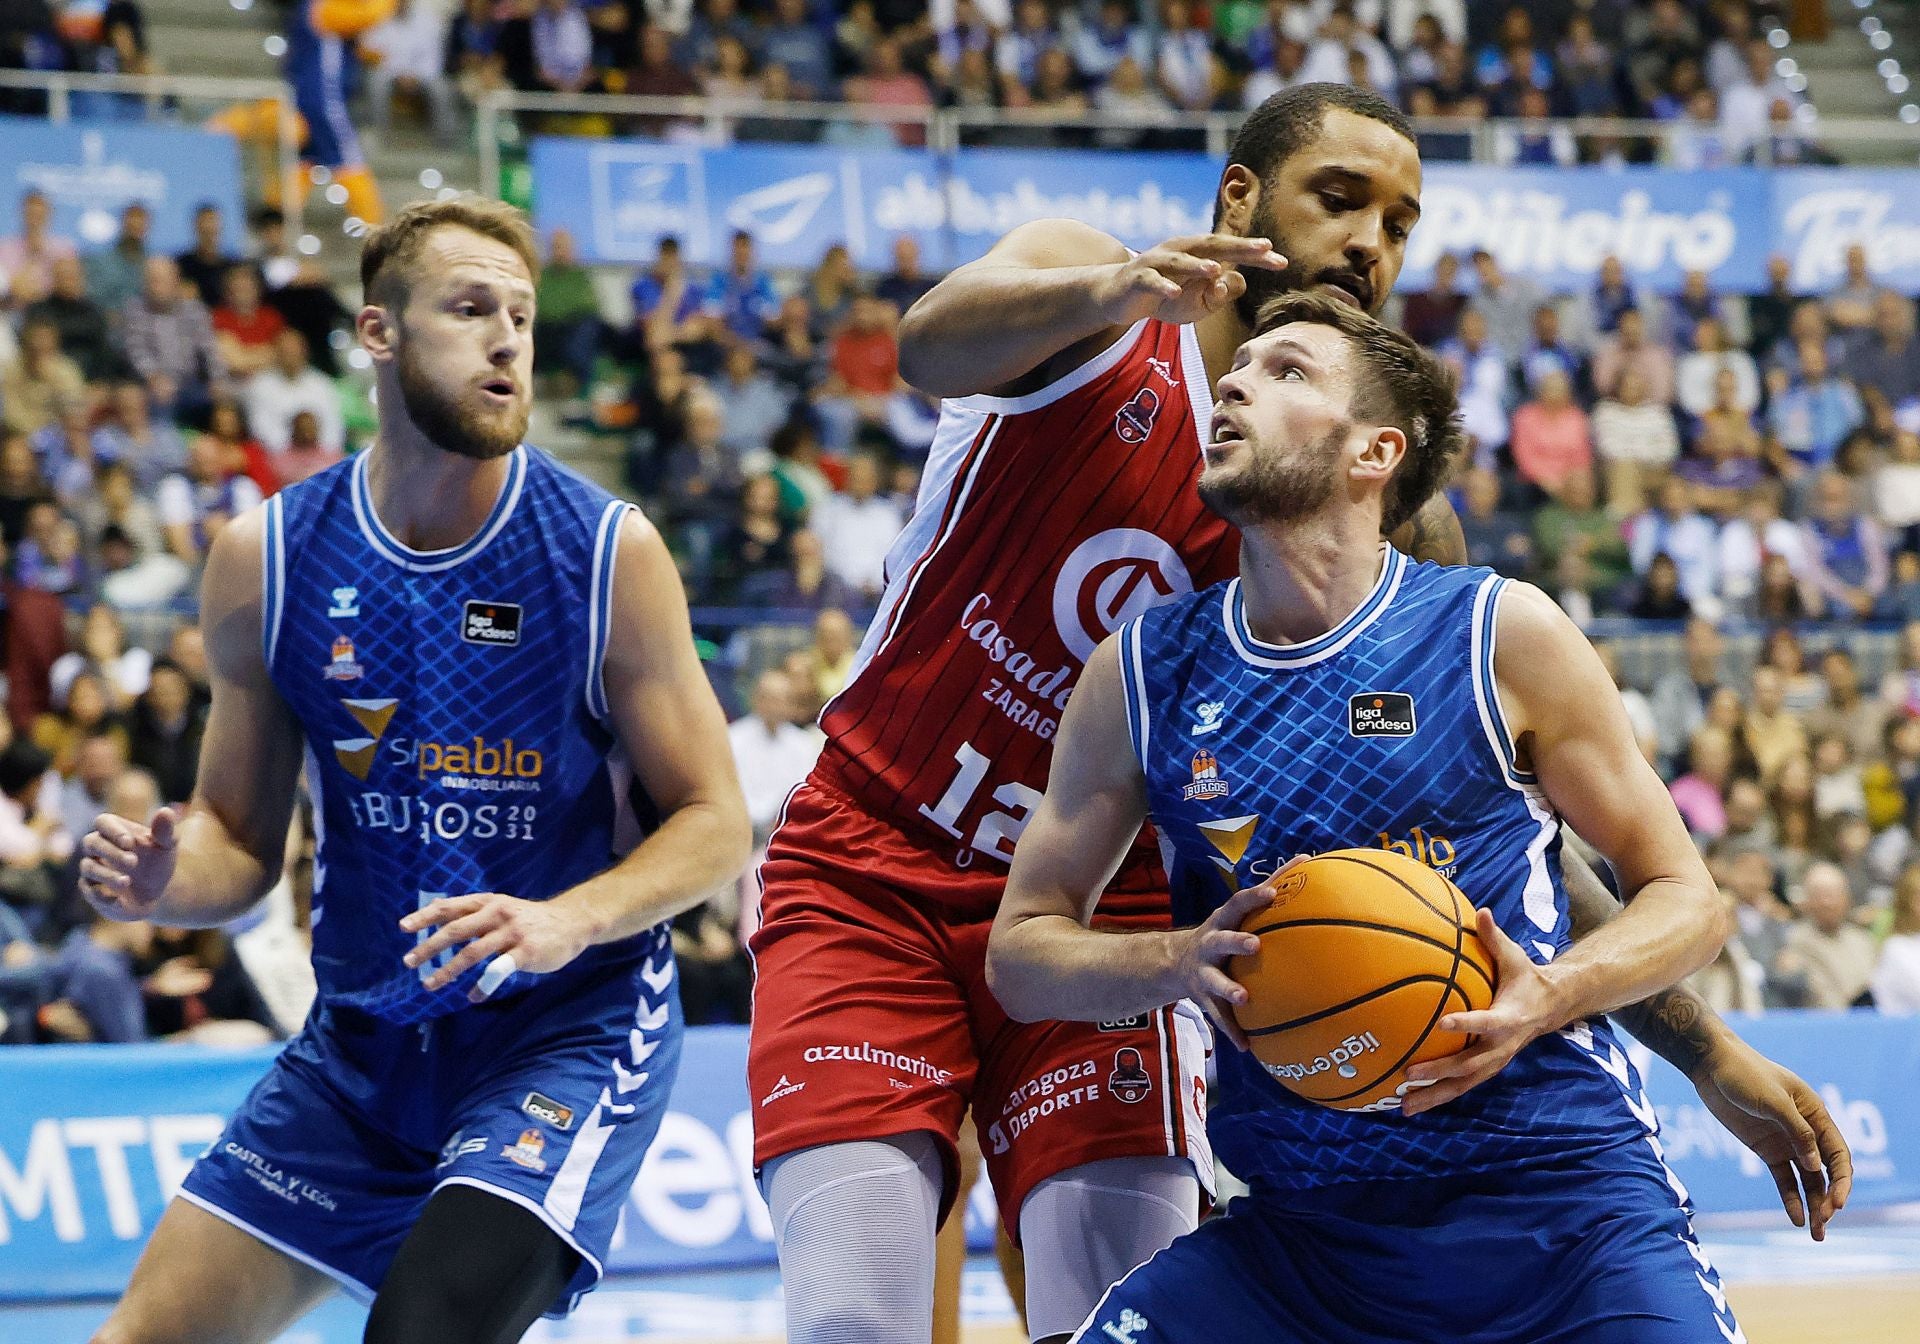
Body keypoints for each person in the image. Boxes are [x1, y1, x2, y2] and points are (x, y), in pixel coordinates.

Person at [751, 84, 1851, 1344]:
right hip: (884, 856)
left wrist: (1705, 1050)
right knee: (853, 1319)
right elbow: (926, 347)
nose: (1372, 242)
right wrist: (1117, 290)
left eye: (1401, 223)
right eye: (1340, 198)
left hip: (1137, 918)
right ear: (1240, 198)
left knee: (1089, 1297)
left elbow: (1500, 847)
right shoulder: (1089, 299)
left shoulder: (1411, 552)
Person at [988, 292, 1742, 1344]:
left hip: (1561, 1208)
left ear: (1375, 452)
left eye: (1288, 371)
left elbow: (1690, 900)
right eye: (1239, 367)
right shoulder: (1143, 672)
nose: (1235, 383)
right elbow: (1020, 954)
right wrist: (1176, 960)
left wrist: (1551, 995)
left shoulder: (1496, 632)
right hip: (1303, 1240)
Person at [78, 197, 750, 1344]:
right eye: (471, 308)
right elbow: (237, 843)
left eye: (522, 317)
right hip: (361, 1049)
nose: (507, 341)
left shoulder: (605, 551)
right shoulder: (266, 558)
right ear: (379, 332)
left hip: (560, 1031)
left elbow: (718, 821)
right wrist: (162, 884)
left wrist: (568, 920)